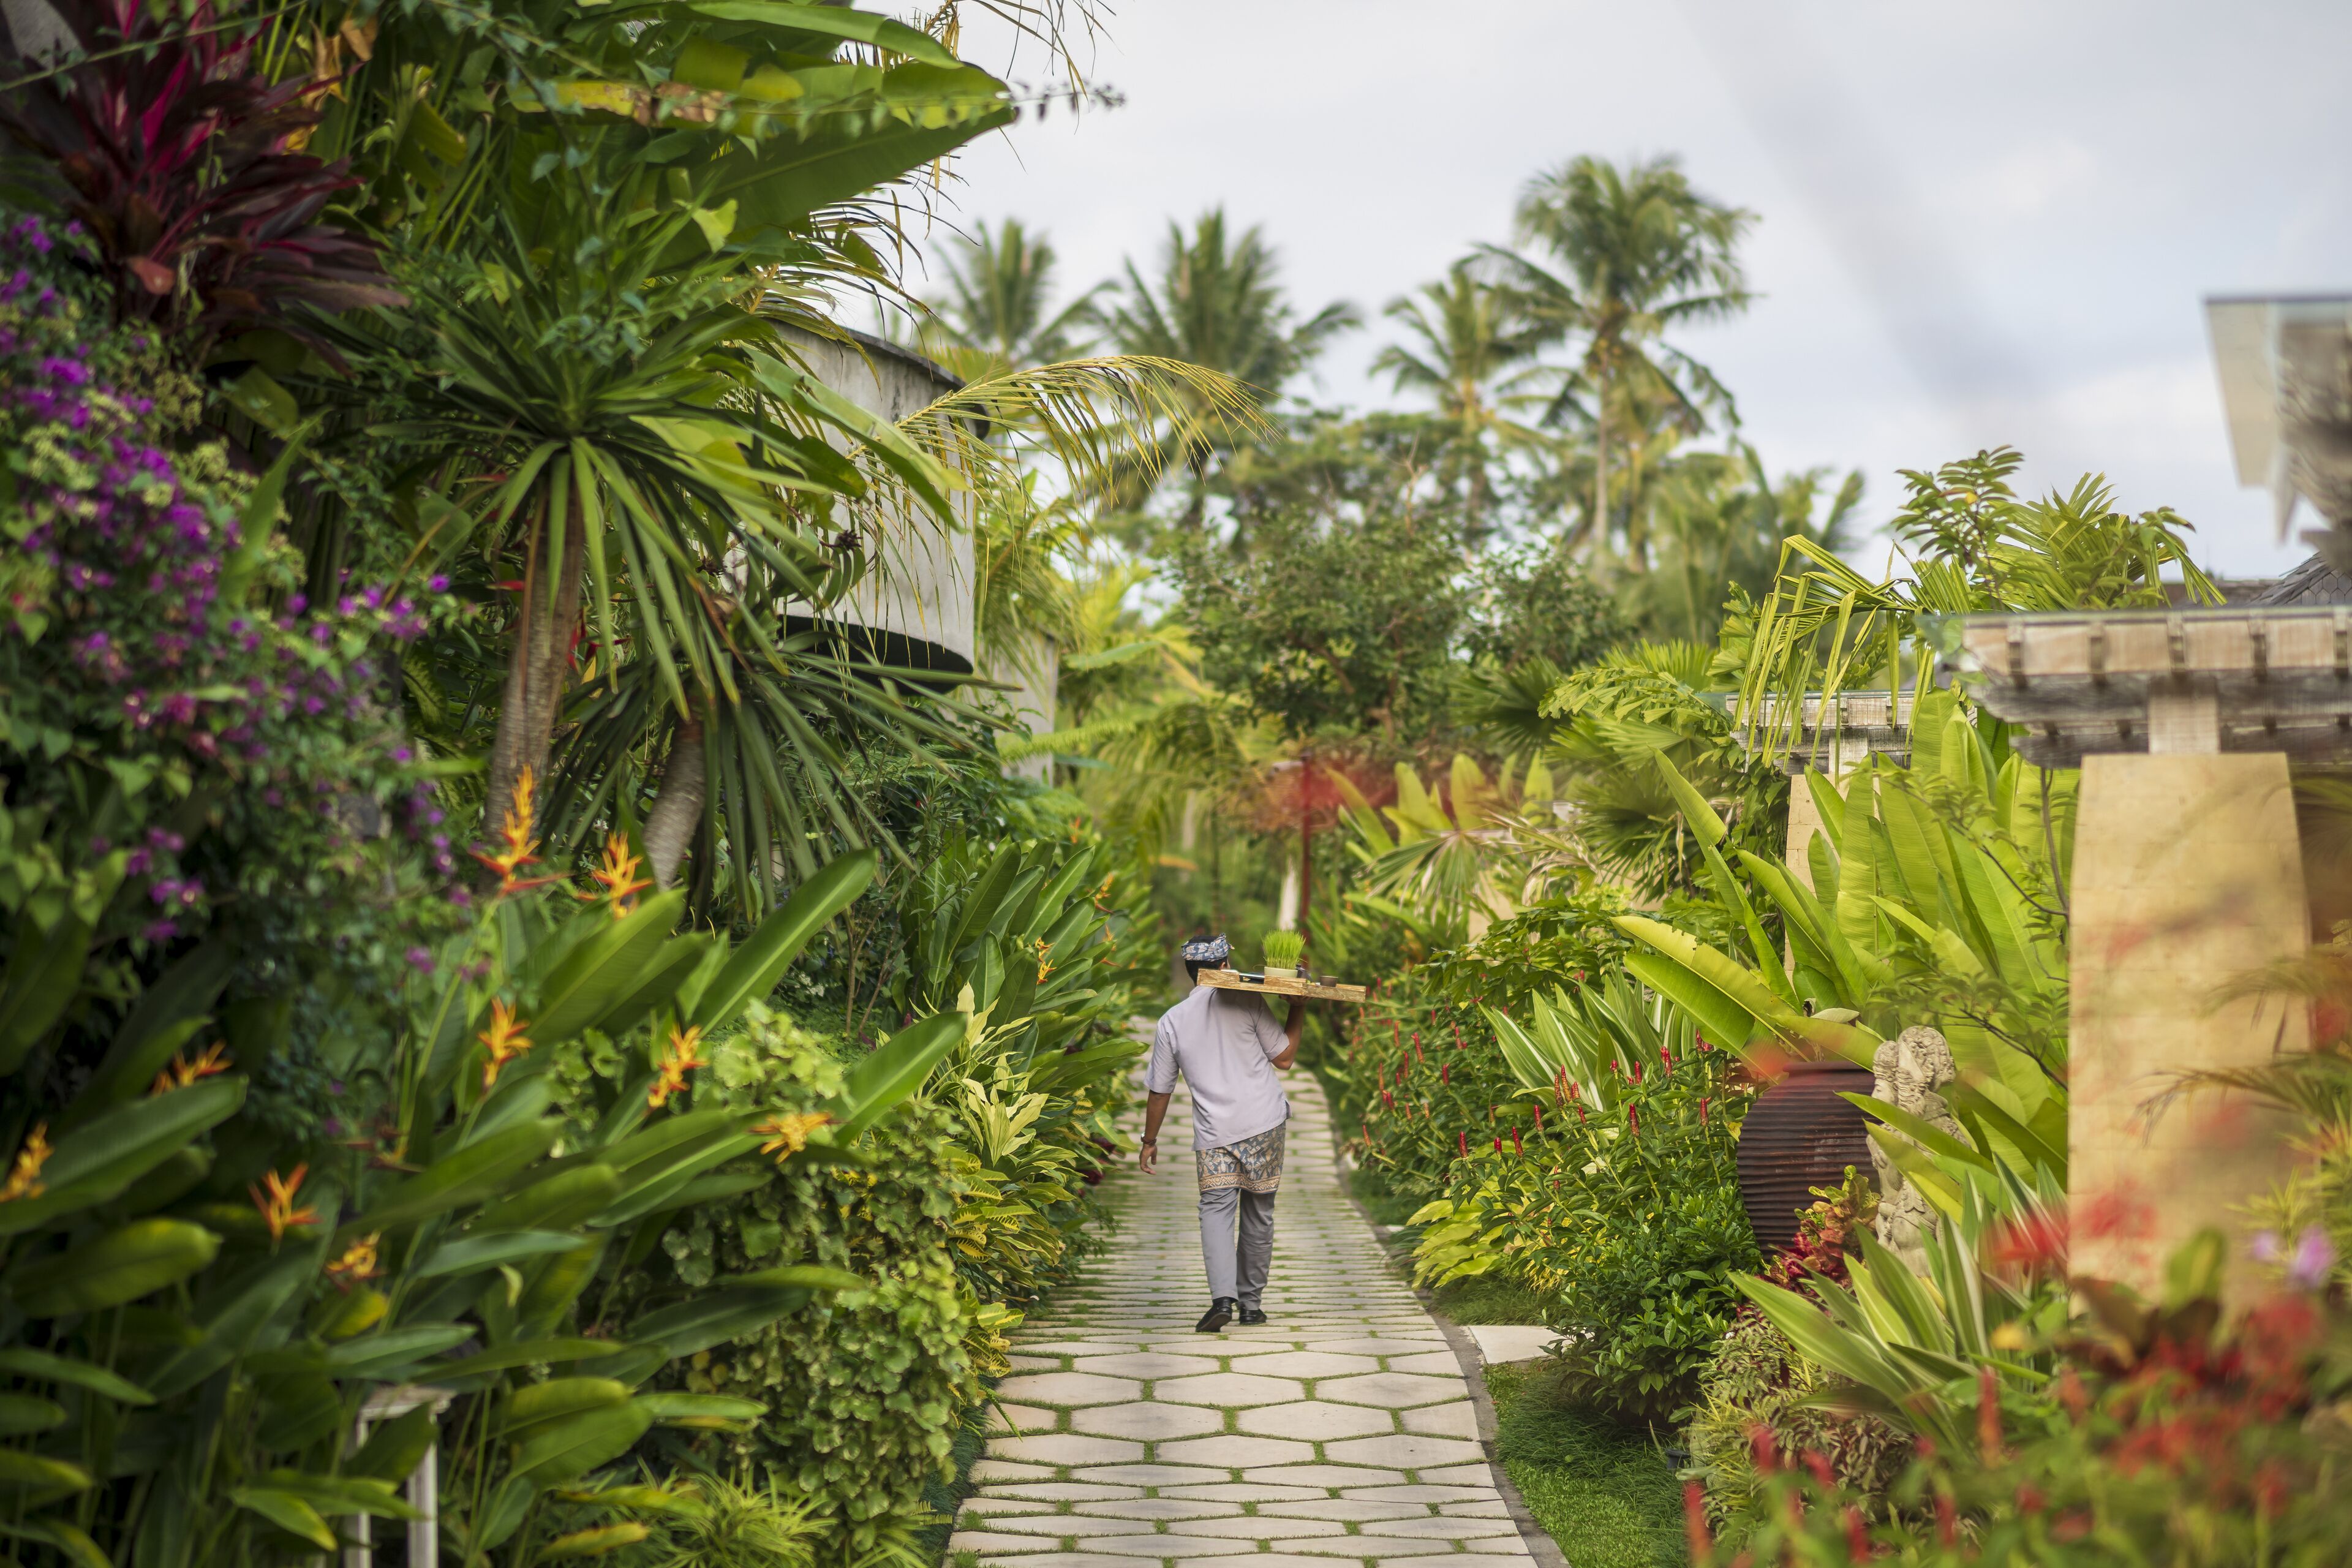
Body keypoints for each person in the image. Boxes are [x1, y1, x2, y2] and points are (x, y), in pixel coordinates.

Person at [1139, 933, 1305, 1333]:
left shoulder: (1171, 1022)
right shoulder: (1246, 999)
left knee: (1215, 1211)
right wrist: (1299, 1009)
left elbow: (1160, 1090)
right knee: (1259, 1213)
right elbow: (1284, 1059)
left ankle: (1222, 1300)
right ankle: (1251, 1305)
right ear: (1227, 963)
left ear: (1191, 972)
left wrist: (1149, 1141)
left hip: (1214, 1134)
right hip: (1263, 1123)